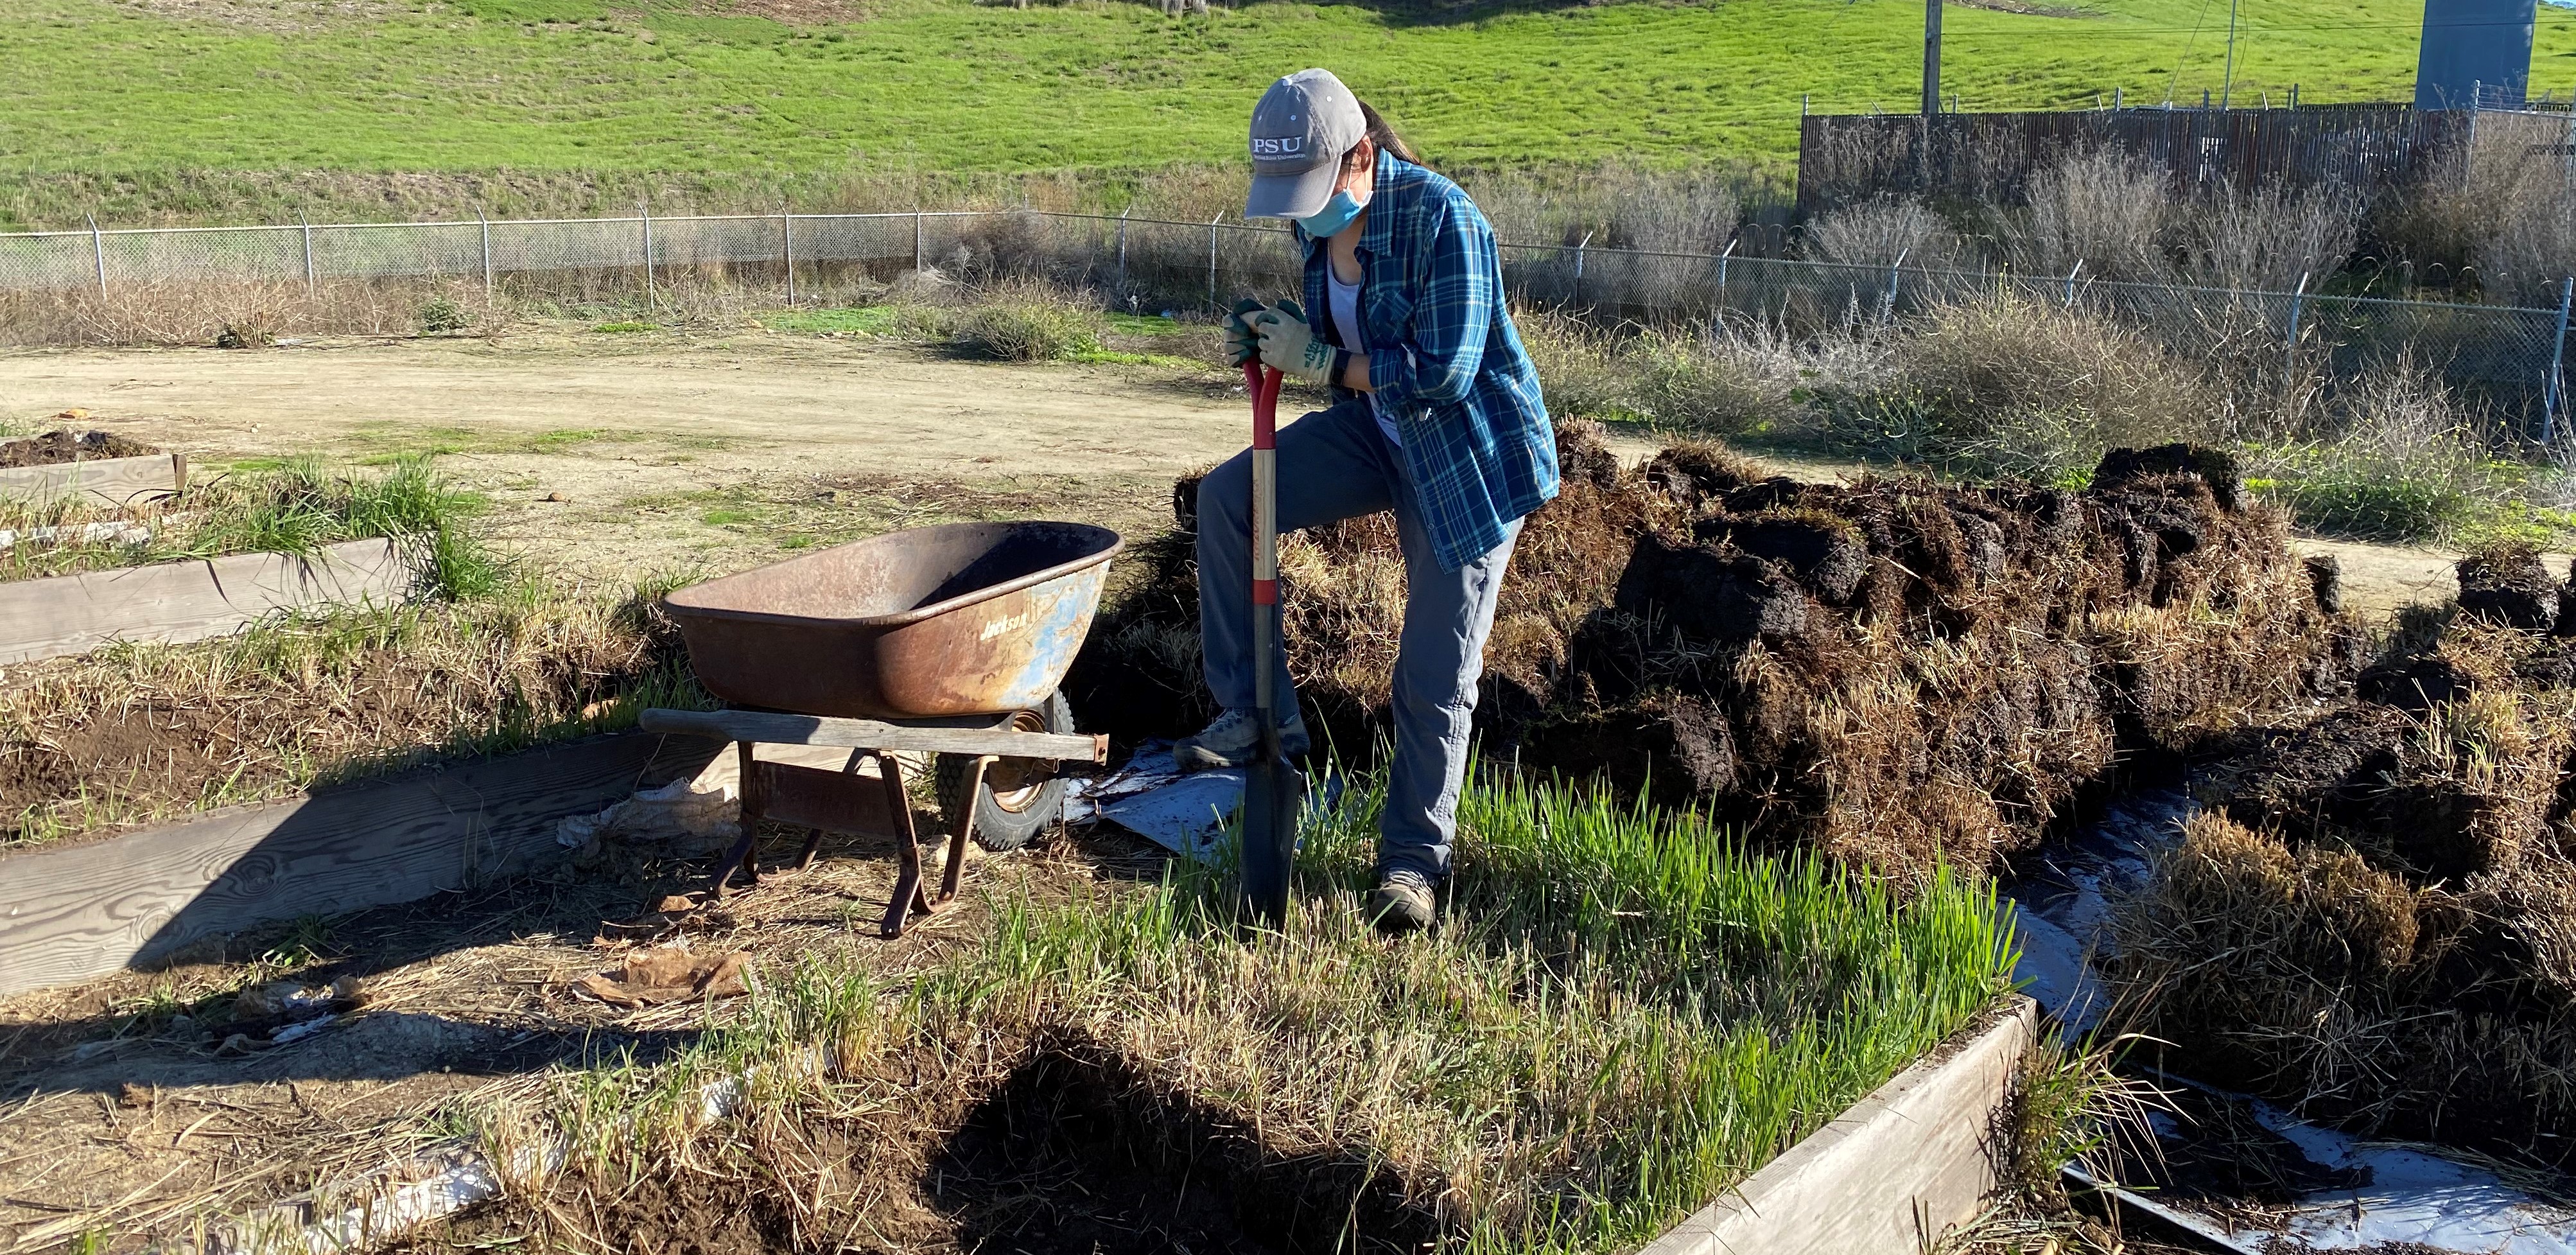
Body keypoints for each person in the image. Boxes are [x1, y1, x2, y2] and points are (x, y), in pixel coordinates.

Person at [1176, 68, 1559, 933]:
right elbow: (1340, 342)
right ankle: (1258, 710)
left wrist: (1319, 359)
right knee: (1233, 499)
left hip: (1466, 459)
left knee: (1431, 672)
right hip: (1378, 434)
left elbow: (1444, 374)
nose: (1298, 216)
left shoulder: (1445, 219)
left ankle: (1413, 864)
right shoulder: (1322, 231)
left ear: (1360, 158)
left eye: (1309, 194)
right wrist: (1274, 333)